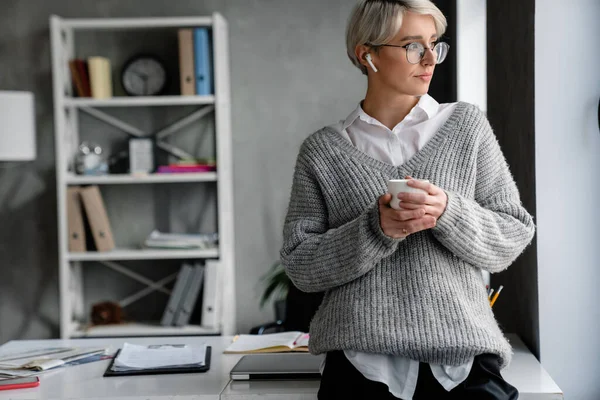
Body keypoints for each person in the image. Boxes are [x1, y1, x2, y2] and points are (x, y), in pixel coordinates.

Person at [279, 0, 536, 399]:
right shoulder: (322, 151)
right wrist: (375, 230)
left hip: (463, 363)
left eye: (435, 43)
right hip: (360, 366)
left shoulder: (467, 127)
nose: (431, 58)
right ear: (368, 54)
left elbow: (512, 232)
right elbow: (301, 264)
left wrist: (448, 212)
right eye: (414, 46)